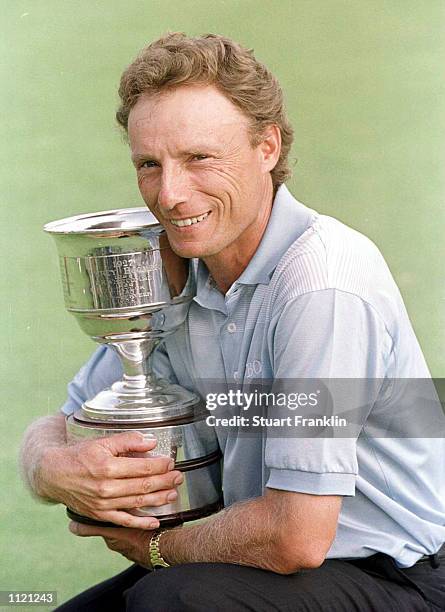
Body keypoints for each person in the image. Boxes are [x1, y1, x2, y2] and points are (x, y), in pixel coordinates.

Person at [21, 33, 445, 611]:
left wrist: (156, 549)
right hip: (262, 562)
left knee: (172, 601)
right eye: (150, 164)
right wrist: (52, 466)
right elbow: (67, 420)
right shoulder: (178, 266)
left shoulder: (322, 288)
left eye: (198, 158)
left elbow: (296, 535)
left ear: (266, 147)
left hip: (397, 576)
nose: (169, 195)